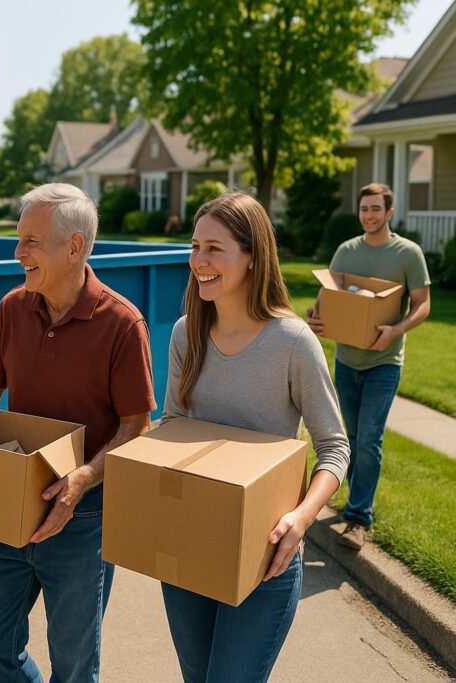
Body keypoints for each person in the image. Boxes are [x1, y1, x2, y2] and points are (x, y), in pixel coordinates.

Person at [0, 183, 155, 682]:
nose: (17, 252)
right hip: (10, 504)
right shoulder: (12, 307)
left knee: (74, 663)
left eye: (31, 242)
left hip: (83, 518)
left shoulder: (123, 324)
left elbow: (137, 425)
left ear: (75, 248)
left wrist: (84, 477)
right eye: (19, 239)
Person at [161, 192, 350, 682]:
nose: (198, 261)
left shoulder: (291, 342)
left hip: (266, 554)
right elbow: (172, 424)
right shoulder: (186, 334)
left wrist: (300, 518)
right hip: (190, 540)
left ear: (252, 256)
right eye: (195, 246)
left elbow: (334, 446)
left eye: (215, 249)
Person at [307, 182, 431, 550]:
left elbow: (422, 304)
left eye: (376, 209)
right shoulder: (346, 251)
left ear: (389, 213)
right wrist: (316, 318)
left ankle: (358, 518)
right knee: (352, 438)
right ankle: (355, 497)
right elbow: (324, 300)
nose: (369, 215)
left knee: (369, 441)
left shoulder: (407, 254)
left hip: (384, 362)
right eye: (364, 209)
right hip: (347, 360)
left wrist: (397, 329)